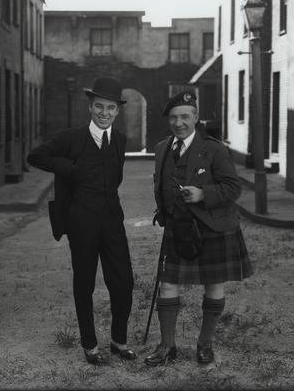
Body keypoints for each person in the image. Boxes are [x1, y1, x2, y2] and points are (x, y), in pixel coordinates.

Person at [27, 76, 136, 365]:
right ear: (90, 107)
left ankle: (118, 341)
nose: (104, 113)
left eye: (110, 108)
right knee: (84, 283)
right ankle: (90, 345)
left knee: (124, 282)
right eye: (99, 106)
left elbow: (115, 180)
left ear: (117, 111)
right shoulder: (70, 139)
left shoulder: (120, 142)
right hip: (82, 222)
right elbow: (35, 156)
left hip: (112, 221)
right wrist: (68, 168)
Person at [145, 91, 252, 366]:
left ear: (195, 118)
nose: (179, 123)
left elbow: (233, 188)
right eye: (173, 117)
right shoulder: (161, 148)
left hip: (213, 227)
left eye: (184, 116)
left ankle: (205, 345)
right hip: (178, 228)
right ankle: (167, 346)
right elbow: (160, 185)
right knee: (167, 285)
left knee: (213, 285)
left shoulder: (214, 149)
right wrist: (164, 211)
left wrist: (203, 194)